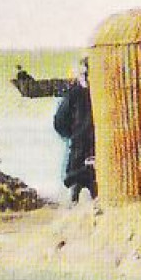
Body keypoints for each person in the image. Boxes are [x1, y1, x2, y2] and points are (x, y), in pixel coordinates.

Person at [53, 56, 97, 202]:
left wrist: (70, 134)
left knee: (80, 178)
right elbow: (60, 121)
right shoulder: (78, 94)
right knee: (81, 179)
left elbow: (60, 121)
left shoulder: (75, 93)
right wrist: (71, 134)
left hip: (84, 142)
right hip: (84, 141)